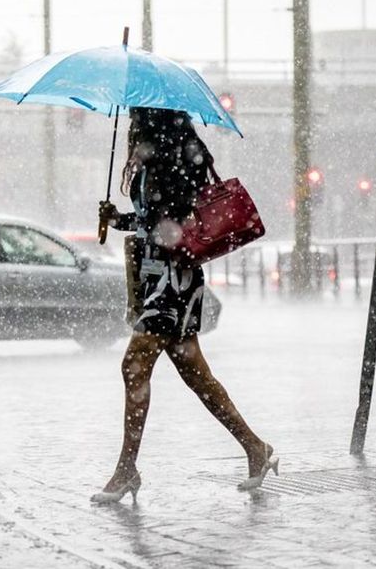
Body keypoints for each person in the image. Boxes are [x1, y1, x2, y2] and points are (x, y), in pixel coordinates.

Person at [91, 107, 277, 504]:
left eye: (135, 116)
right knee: (197, 376)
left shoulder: (176, 156)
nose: (130, 123)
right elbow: (152, 222)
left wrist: (144, 210)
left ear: (150, 118)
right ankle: (255, 447)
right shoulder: (155, 159)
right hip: (162, 277)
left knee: (134, 365)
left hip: (173, 280)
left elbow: (172, 223)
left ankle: (127, 469)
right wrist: (120, 218)